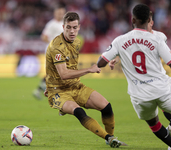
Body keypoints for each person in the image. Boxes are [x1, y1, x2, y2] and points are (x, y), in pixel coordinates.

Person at [44, 11, 126, 148]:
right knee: (79, 112)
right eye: (68, 27)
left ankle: (111, 138)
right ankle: (109, 138)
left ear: (79, 27)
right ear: (63, 27)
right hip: (58, 92)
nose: (72, 31)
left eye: (75, 27)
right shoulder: (56, 47)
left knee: (106, 107)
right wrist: (89, 69)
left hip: (75, 86)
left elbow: (68, 64)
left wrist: (110, 59)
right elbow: (63, 74)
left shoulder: (77, 41)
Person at [97, 4, 171, 147]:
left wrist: (116, 55)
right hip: (162, 88)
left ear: (133, 20)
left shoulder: (120, 40)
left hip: (140, 95)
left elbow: (100, 63)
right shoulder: (158, 39)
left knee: (154, 124)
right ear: (149, 20)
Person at [33, 4, 66, 100]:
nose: (60, 14)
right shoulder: (51, 24)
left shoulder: (64, 23)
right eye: (59, 13)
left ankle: (40, 89)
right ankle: (56, 93)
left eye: (62, 13)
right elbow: (43, 37)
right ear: (55, 13)